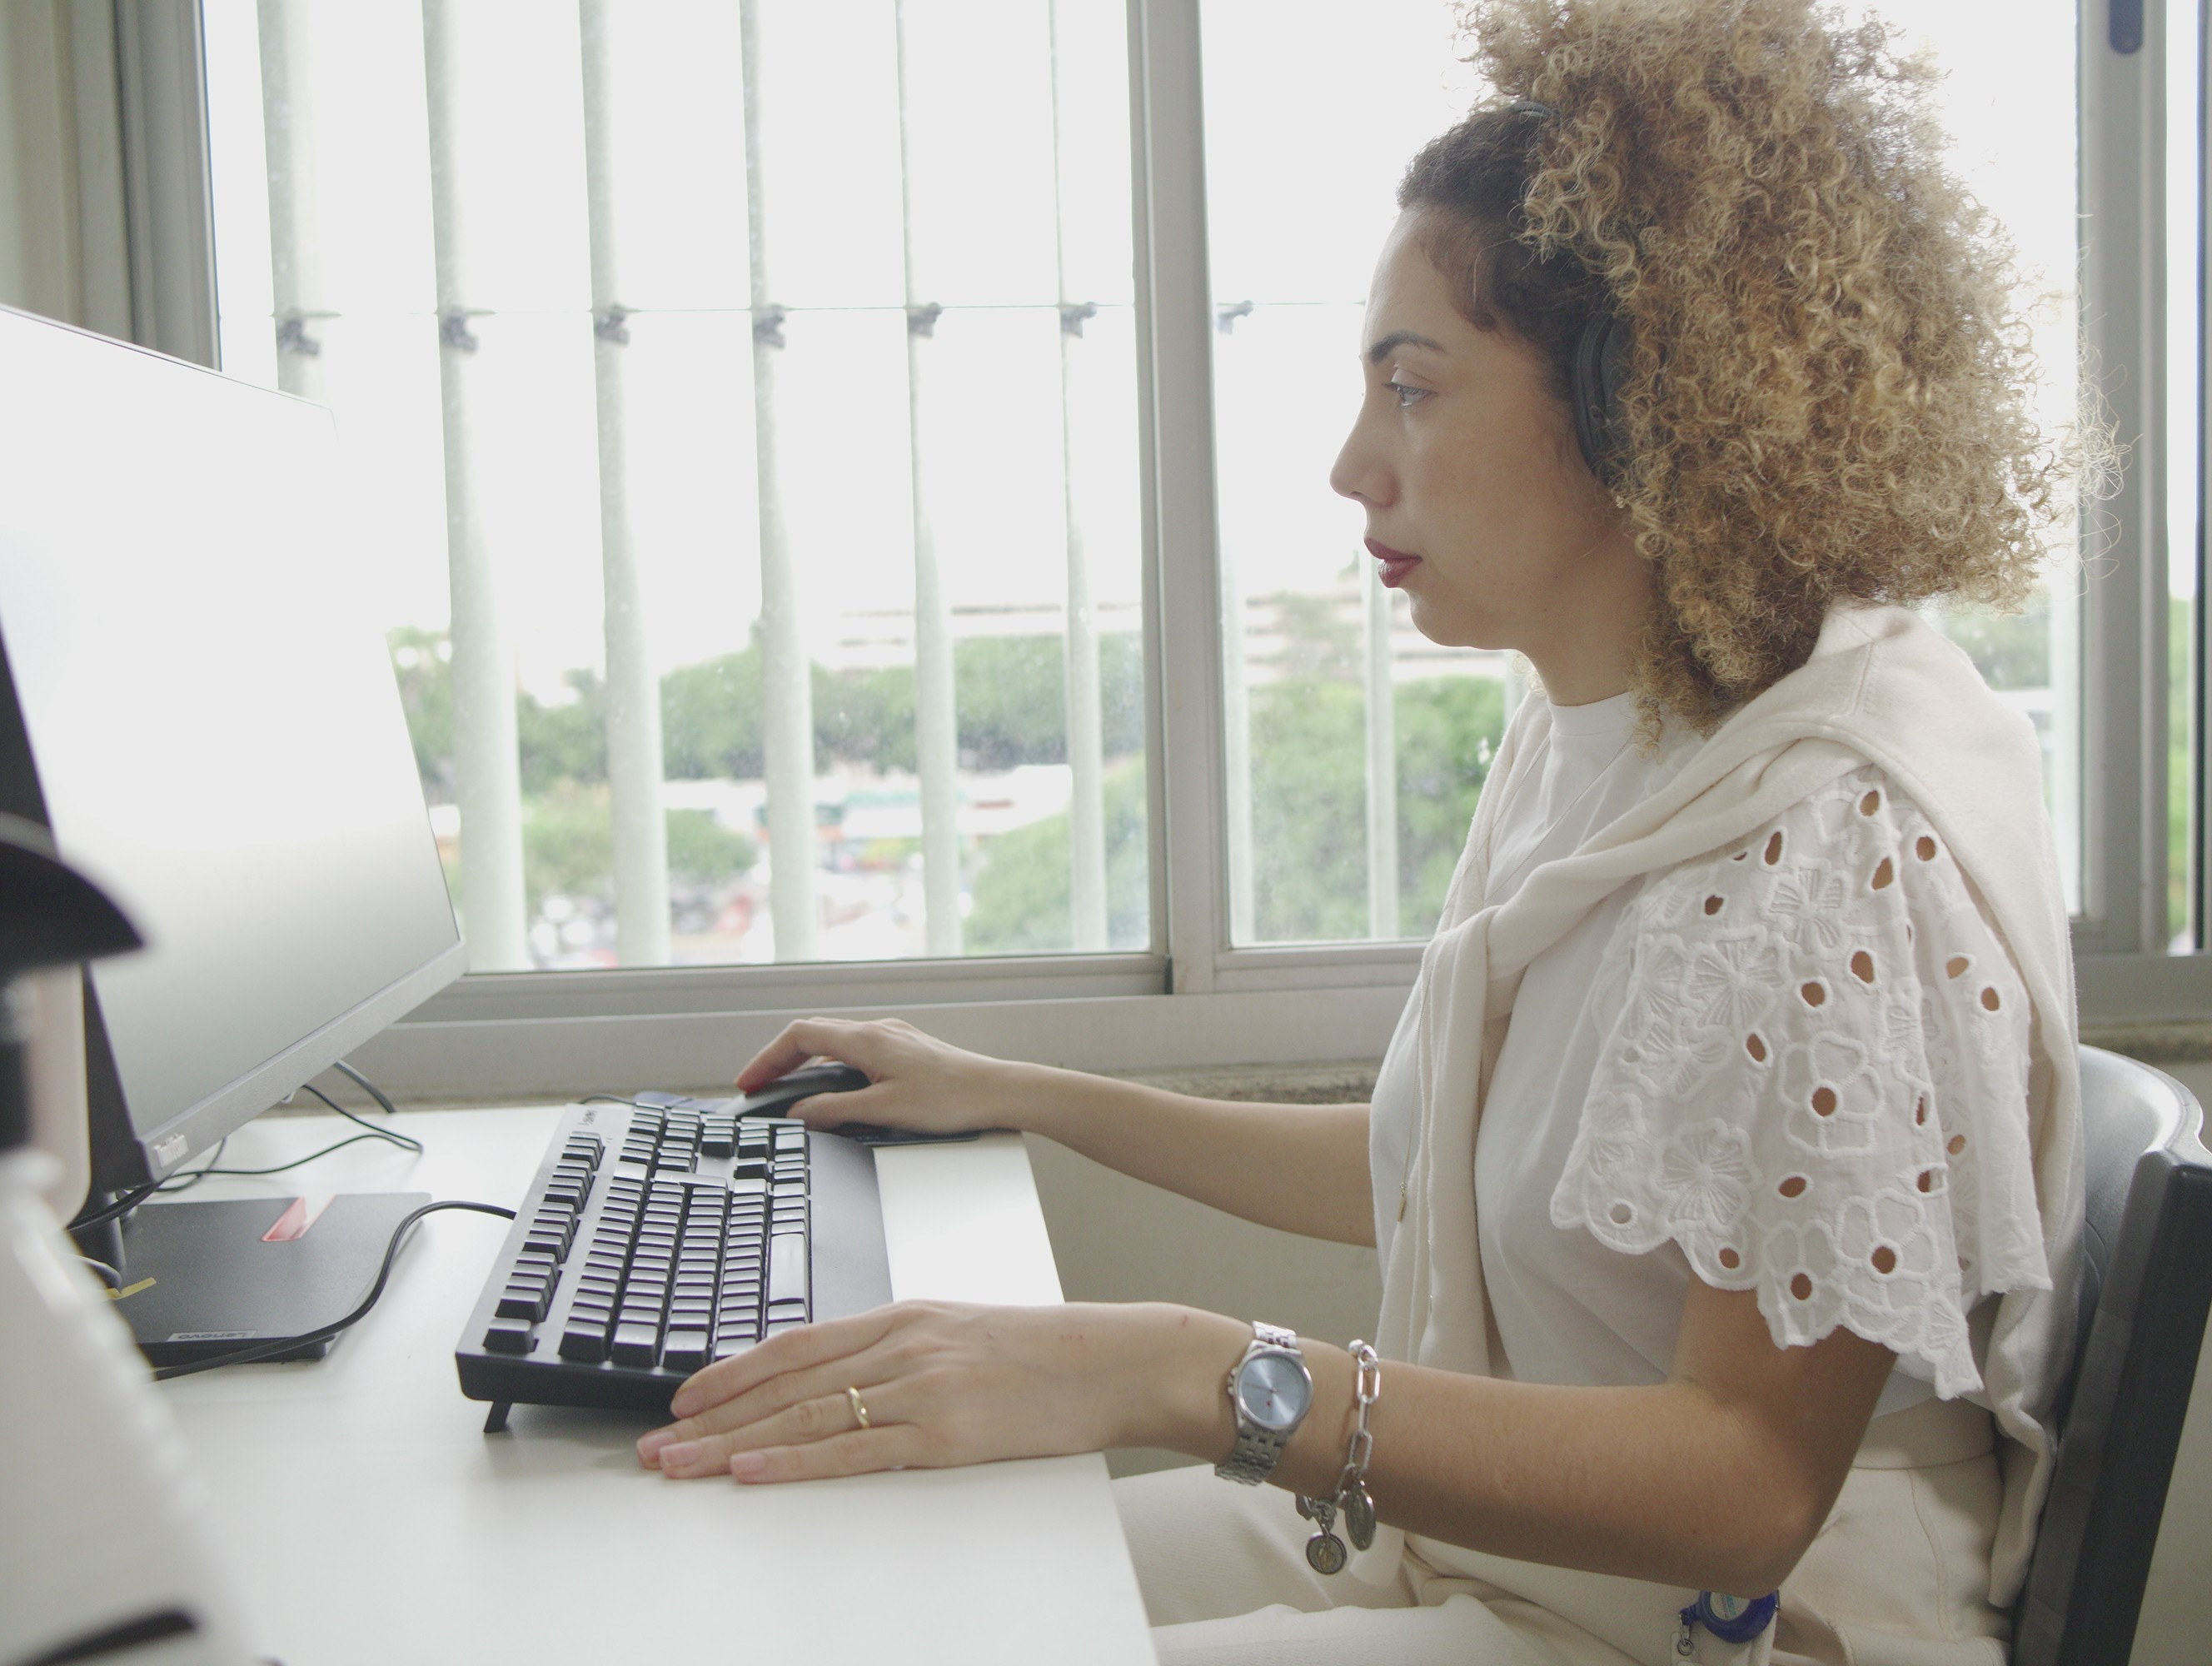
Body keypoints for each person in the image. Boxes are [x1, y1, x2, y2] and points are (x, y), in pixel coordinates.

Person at [636, 2, 2093, 1661]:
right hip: (1500, 1559)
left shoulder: (1830, 838)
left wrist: (1181, 1370)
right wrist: (1021, 1092)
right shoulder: (1604, 734)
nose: (1349, 466)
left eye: (1412, 390)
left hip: (1734, 1629)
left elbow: (1747, 1477)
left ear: (1652, 411)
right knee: (866, 1595)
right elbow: (1457, 1164)